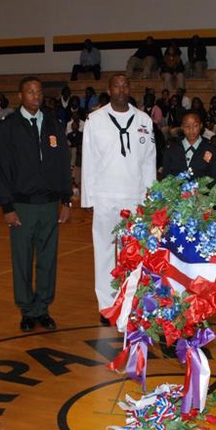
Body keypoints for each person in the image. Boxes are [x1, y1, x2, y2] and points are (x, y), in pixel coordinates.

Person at [0, 77, 72, 332]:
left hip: (49, 204)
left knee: (47, 260)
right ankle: (26, 310)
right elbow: (2, 168)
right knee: (23, 260)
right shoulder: (8, 127)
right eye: (30, 92)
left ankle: (43, 308)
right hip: (21, 205)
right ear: (20, 96)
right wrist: (6, 206)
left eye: (38, 92)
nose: (35, 96)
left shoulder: (53, 123)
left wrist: (66, 199)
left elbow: (62, 163)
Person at [80, 74, 157, 321]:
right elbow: (88, 160)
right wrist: (88, 199)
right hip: (104, 195)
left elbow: (149, 162)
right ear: (109, 90)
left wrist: (150, 198)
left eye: (125, 86)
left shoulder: (143, 120)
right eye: (117, 86)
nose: (121, 90)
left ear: (129, 89)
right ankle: (106, 304)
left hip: (134, 196)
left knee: (133, 252)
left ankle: (130, 300)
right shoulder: (95, 120)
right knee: (103, 251)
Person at [160, 111, 216, 196]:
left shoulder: (213, 152)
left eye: (195, 126)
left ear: (201, 126)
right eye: (187, 126)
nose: (191, 130)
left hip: (203, 204)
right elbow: (165, 181)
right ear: (182, 127)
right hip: (176, 203)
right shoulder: (171, 152)